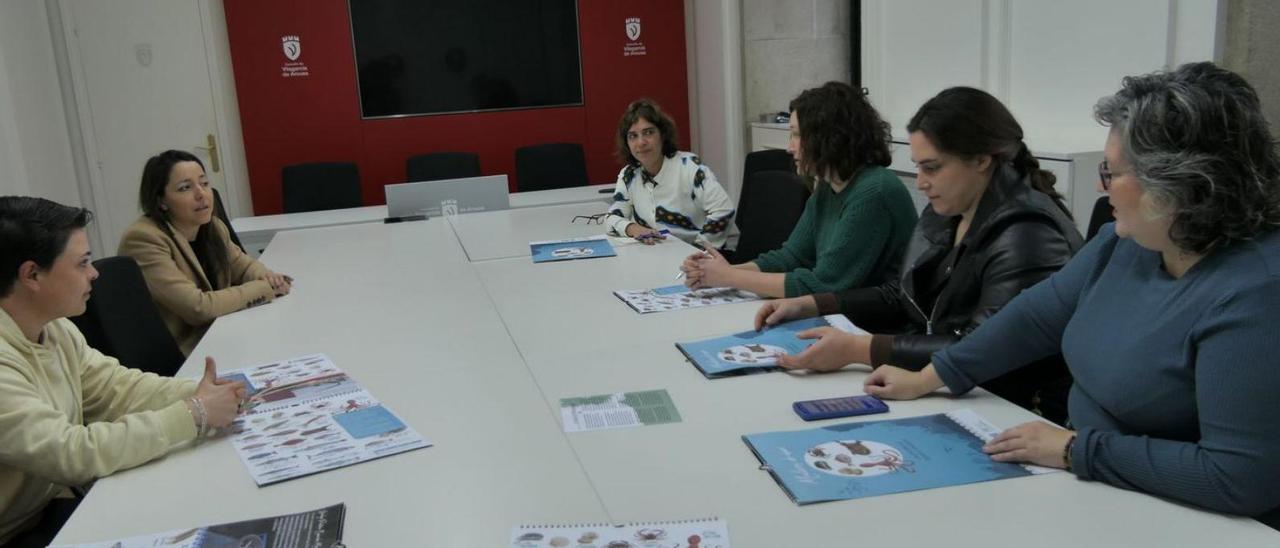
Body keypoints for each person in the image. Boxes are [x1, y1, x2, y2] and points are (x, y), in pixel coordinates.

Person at [863, 63, 1280, 527]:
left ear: (1178, 186)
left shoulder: (1255, 294)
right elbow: (1036, 317)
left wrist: (1075, 449)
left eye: (1113, 172)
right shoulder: (1126, 242)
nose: (1103, 188)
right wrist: (932, 376)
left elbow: (1238, 478)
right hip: (1096, 481)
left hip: (1179, 515)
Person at [754, 87, 1082, 424]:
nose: (921, 182)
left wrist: (859, 349)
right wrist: (813, 303)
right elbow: (904, 293)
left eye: (932, 167)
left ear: (982, 160)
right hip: (948, 386)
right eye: (919, 168)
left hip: (1016, 409)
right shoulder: (951, 207)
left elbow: (983, 348)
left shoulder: (1028, 233)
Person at [0, 197, 245, 547]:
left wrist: (200, 393)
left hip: (49, 509)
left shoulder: (54, 328)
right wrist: (194, 413)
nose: (94, 273)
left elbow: (116, 387)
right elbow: (72, 453)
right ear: (32, 275)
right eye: (82, 263)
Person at [681, 82, 917, 298]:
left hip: (876, 327)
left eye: (796, 135)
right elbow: (791, 257)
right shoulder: (828, 186)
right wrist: (715, 271)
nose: (789, 147)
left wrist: (728, 277)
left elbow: (823, 285)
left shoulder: (874, 190)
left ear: (829, 137)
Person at [119, 150, 292, 356]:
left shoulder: (212, 226)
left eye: (204, 183)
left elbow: (243, 265)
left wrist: (266, 276)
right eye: (185, 188)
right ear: (161, 201)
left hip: (219, 335)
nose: (201, 194)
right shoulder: (144, 239)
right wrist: (264, 288)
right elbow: (198, 308)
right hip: (181, 354)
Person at [605, 98, 738, 251]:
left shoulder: (689, 166)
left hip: (700, 259)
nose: (641, 142)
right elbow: (611, 218)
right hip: (658, 255)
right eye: (633, 136)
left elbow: (724, 211)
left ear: (662, 135)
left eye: (648, 132)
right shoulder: (629, 175)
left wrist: (698, 250)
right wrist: (631, 228)